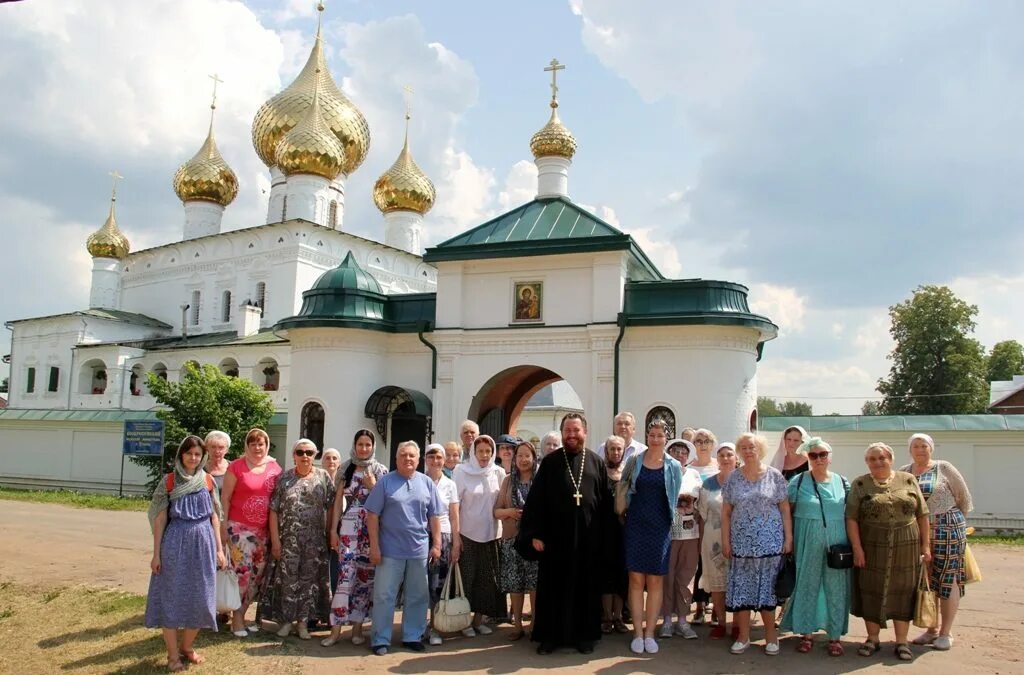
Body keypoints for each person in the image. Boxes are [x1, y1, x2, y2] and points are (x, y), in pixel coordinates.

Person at [520, 413, 610, 655]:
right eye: (567, 430)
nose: (572, 435)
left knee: (586, 588)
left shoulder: (595, 462)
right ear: (562, 433)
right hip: (554, 540)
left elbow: (604, 504)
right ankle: (550, 637)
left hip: (587, 541)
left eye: (576, 430)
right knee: (553, 588)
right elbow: (536, 502)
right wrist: (536, 533)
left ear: (585, 433)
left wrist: (603, 538)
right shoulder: (550, 463)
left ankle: (585, 636)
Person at [146, 436, 225, 672]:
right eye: (189, 453)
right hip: (175, 541)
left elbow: (215, 517)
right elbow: (159, 518)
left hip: (204, 543)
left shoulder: (208, 481)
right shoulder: (169, 481)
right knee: (171, 596)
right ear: (181, 454)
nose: (193, 458)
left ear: (203, 457)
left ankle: (187, 647)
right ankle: (172, 656)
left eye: (198, 454)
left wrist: (220, 549)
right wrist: (156, 554)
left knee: (202, 596)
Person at [847, 442, 930, 662]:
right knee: (870, 588)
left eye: (882, 457)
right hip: (872, 544)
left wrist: (926, 546)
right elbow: (851, 518)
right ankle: (872, 638)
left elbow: (922, 514)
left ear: (890, 459)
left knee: (904, 590)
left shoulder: (908, 480)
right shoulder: (861, 483)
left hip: (907, 545)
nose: (877, 462)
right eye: (872, 459)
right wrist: (857, 548)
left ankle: (901, 642)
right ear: (867, 462)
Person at [366, 441, 444, 655]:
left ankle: (412, 636)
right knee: (384, 596)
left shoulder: (427, 483)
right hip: (390, 551)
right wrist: (374, 546)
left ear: (418, 460)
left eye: (412, 455)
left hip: (418, 550)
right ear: (396, 458)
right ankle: (380, 639)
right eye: (403, 455)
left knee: (418, 596)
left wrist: (436, 544)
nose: (407, 459)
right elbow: (372, 515)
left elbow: (434, 516)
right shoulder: (385, 483)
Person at [901, 433, 973, 651]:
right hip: (918, 531)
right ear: (910, 449)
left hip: (947, 527)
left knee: (947, 576)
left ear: (931, 448)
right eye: (916, 446)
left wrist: (953, 523)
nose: (920, 450)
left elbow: (963, 498)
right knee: (926, 578)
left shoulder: (944, 468)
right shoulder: (905, 471)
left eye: (924, 446)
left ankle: (945, 632)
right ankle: (931, 629)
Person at [780, 438, 852, 657]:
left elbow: (851, 513)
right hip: (806, 538)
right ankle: (806, 633)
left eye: (823, 454)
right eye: (813, 455)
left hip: (837, 540)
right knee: (807, 583)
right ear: (808, 458)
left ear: (830, 456)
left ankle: (835, 636)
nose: (819, 459)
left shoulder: (842, 482)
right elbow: (787, 513)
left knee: (836, 586)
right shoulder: (798, 482)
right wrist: (789, 539)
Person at [722, 432, 792, 656]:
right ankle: (743, 637)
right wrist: (726, 541)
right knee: (742, 591)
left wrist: (788, 538)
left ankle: (771, 637)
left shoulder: (774, 476)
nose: (748, 451)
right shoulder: (733, 478)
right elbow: (725, 513)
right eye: (743, 447)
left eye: (752, 447)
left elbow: (784, 509)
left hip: (769, 545)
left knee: (767, 592)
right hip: (741, 546)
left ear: (760, 449)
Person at [621, 419, 684, 654]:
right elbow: (625, 487)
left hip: (660, 527)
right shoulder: (635, 460)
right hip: (636, 524)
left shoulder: (674, 466)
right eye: (652, 434)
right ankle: (637, 633)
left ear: (666, 438)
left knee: (656, 580)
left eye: (660, 435)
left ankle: (650, 633)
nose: (656, 439)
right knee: (636, 580)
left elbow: (674, 497)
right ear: (647, 436)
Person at [262, 439, 335, 638]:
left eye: (309, 453)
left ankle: (303, 623)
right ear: (294, 455)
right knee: (287, 581)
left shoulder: (323, 477)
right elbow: (274, 510)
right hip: (288, 541)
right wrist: (276, 541)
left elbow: (332, 506)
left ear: (315, 455)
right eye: (300, 452)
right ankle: (286, 621)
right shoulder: (284, 478)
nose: (305, 456)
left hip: (314, 542)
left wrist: (330, 533)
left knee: (307, 582)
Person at [324, 429, 387, 647]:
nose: (364, 448)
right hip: (349, 528)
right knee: (344, 578)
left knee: (364, 579)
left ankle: (357, 630)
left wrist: (373, 486)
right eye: (360, 444)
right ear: (355, 445)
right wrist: (333, 530)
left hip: (370, 529)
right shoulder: (346, 468)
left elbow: (387, 502)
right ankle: (335, 630)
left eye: (368, 445)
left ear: (373, 446)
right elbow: (337, 501)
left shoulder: (380, 470)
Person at [220, 428, 282, 637]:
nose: (257, 447)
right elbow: (225, 498)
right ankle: (237, 619)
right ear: (247, 445)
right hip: (239, 530)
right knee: (242, 575)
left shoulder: (275, 468)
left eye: (261, 443)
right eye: (253, 443)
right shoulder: (236, 467)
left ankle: (243, 614)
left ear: (267, 445)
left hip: (263, 532)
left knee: (257, 577)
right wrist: (223, 526)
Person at [452, 434, 506, 636]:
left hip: (492, 534)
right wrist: (456, 538)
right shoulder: (461, 471)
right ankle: (464, 622)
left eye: (488, 451)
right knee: (467, 579)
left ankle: (478, 619)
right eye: (480, 451)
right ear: (473, 452)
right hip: (467, 533)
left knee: (486, 581)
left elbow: (501, 502)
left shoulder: (498, 472)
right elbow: (454, 505)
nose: (484, 455)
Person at [494, 440, 540, 641]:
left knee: (534, 583)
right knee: (515, 583)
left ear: (533, 457)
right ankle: (518, 625)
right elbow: (496, 511)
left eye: (526, 455)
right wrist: (510, 512)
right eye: (519, 455)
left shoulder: (541, 480)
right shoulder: (507, 481)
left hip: (534, 540)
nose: (523, 459)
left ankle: (535, 623)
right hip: (512, 539)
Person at [660, 439, 702, 640]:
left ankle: (683, 620)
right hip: (668, 533)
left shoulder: (694, 475)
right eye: (675, 451)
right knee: (667, 576)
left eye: (683, 452)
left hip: (690, 534)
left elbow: (700, 503)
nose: (679, 455)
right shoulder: (663, 472)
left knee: (686, 578)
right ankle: (667, 620)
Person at [697, 442, 737, 640]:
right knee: (717, 584)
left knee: (738, 582)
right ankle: (721, 622)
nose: (726, 458)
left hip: (738, 539)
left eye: (730, 454)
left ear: (736, 458)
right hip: (713, 540)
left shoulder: (743, 481)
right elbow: (703, 514)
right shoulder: (708, 484)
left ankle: (738, 624)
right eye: (721, 455)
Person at [423, 443, 461, 646]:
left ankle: (435, 627)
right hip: (421, 536)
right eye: (431, 457)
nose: (435, 461)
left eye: (439, 457)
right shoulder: (418, 480)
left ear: (444, 460)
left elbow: (454, 516)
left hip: (444, 537)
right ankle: (419, 626)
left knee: (438, 584)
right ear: (425, 459)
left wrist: (456, 542)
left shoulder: (450, 484)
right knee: (420, 584)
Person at [688, 428, 719, 625]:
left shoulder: (719, 466)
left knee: (716, 562)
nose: (703, 444)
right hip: (693, 521)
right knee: (698, 564)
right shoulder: (690, 467)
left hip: (715, 522)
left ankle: (717, 607)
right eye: (699, 441)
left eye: (707, 440)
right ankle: (699, 606)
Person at [600, 435, 629, 635]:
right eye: (612, 449)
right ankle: (606, 617)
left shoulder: (628, 472)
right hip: (603, 530)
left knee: (621, 575)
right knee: (605, 575)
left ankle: (618, 616)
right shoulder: (600, 471)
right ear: (607, 450)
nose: (616, 452)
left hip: (624, 530)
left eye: (619, 449)